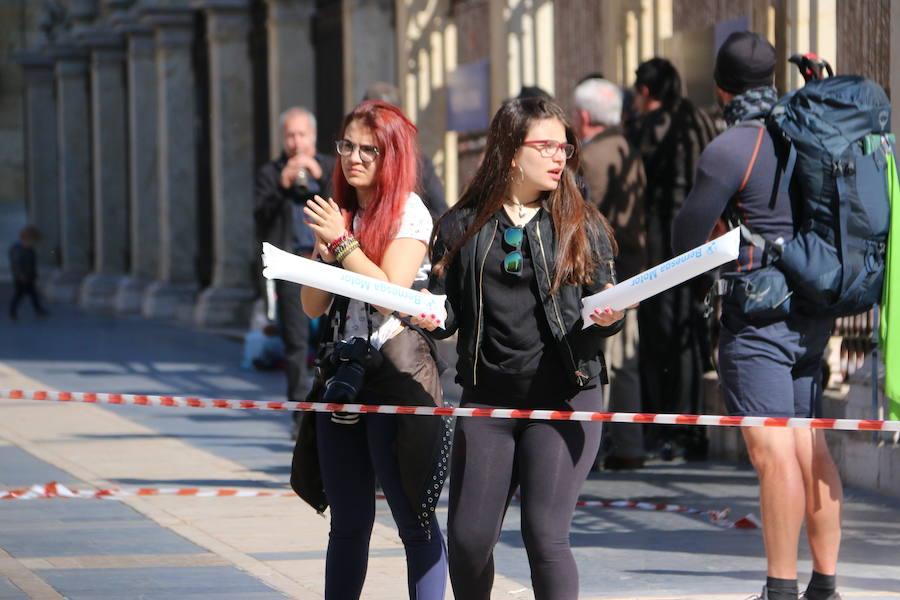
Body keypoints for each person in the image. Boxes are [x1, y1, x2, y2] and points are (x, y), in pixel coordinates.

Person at [412, 97, 625, 600]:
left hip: (566, 398)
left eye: (564, 146)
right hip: (489, 399)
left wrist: (610, 318)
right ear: (511, 151)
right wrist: (426, 313)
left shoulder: (582, 223)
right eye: (546, 145)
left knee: (545, 537)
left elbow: (604, 312)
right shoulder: (459, 225)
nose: (560, 156)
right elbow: (449, 318)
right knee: (467, 541)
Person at [672, 32, 842, 600]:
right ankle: (824, 584)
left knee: (774, 454)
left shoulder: (732, 147)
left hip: (759, 320)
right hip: (814, 312)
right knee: (806, 442)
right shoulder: (810, 130)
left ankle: (780, 589)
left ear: (721, 90)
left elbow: (686, 238)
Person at [293, 100, 448, 599]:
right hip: (343, 373)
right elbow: (313, 305)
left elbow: (393, 292)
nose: (353, 158)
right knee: (348, 523)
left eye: (368, 149)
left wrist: (342, 244)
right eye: (347, 147)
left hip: (396, 377)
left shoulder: (409, 211)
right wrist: (324, 250)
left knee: (414, 521)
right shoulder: (343, 212)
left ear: (393, 155)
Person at [628, 57, 718, 460]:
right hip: (700, 237)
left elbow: (636, 178)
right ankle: (693, 428)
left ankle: (670, 428)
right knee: (690, 328)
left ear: (646, 93)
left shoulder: (652, 127)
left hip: (663, 240)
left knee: (663, 336)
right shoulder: (698, 119)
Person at [573, 77, 648, 470]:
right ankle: (630, 444)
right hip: (633, 270)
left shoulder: (592, 157)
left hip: (605, 275)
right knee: (625, 362)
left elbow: (584, 216)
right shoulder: (627, 150)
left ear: (583, 116)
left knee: (604, 362)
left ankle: (601, 449)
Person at [254, 107, 335, 424]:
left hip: (327, 263)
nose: (296, 142)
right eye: (290, 135)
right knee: (295, 343)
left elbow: (343, 207)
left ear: (313, 137)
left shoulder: (328, 167)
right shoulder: (270, 173)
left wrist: (321, 176)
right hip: (290, 263)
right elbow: (260, 216)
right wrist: (280, 185)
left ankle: (330, 407)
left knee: (331, 337)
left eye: (302, 135)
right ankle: (300, 416)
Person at [361, 82, 449, 221]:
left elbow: (441, 213)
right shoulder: (351, 159)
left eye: (384, 117)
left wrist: (408, 221)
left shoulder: (418, 164)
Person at [8, 225, 48, 320]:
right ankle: (12, 311)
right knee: (19, 294)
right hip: (22, 278)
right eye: (33, 241)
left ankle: (38, 309)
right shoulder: (19, 250)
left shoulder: (28, 250)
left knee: (33, 294)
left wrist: (33, 274)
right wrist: (21, 275)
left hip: (28, 276)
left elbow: (31, 264)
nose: (34, 243)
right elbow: (17, 265)